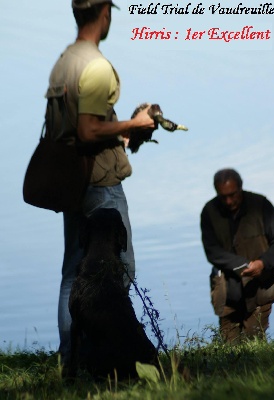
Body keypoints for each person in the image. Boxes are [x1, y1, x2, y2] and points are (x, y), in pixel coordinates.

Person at [45, 0, 155, 365]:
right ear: (105, 13)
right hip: (100, 185)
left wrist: (124, 140)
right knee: (117, 269)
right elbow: (90, 128)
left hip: (72, 182)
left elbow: (78, 132)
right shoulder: (97, 66)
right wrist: (134, 124)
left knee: (73, 272)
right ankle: (110, 356)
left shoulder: (65, 61)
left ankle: (71, 359)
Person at [200, 168, 274, 343]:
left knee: (254, 339)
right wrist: (243, 266)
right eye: (223, 196)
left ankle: (259, 368)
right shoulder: (209, 212)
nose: (228, 201)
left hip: (261, 287)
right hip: (227, 290)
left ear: (241, 187)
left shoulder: (261, 205)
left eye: (233, 195)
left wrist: (263, 263)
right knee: (230, 344)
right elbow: (212, 251)